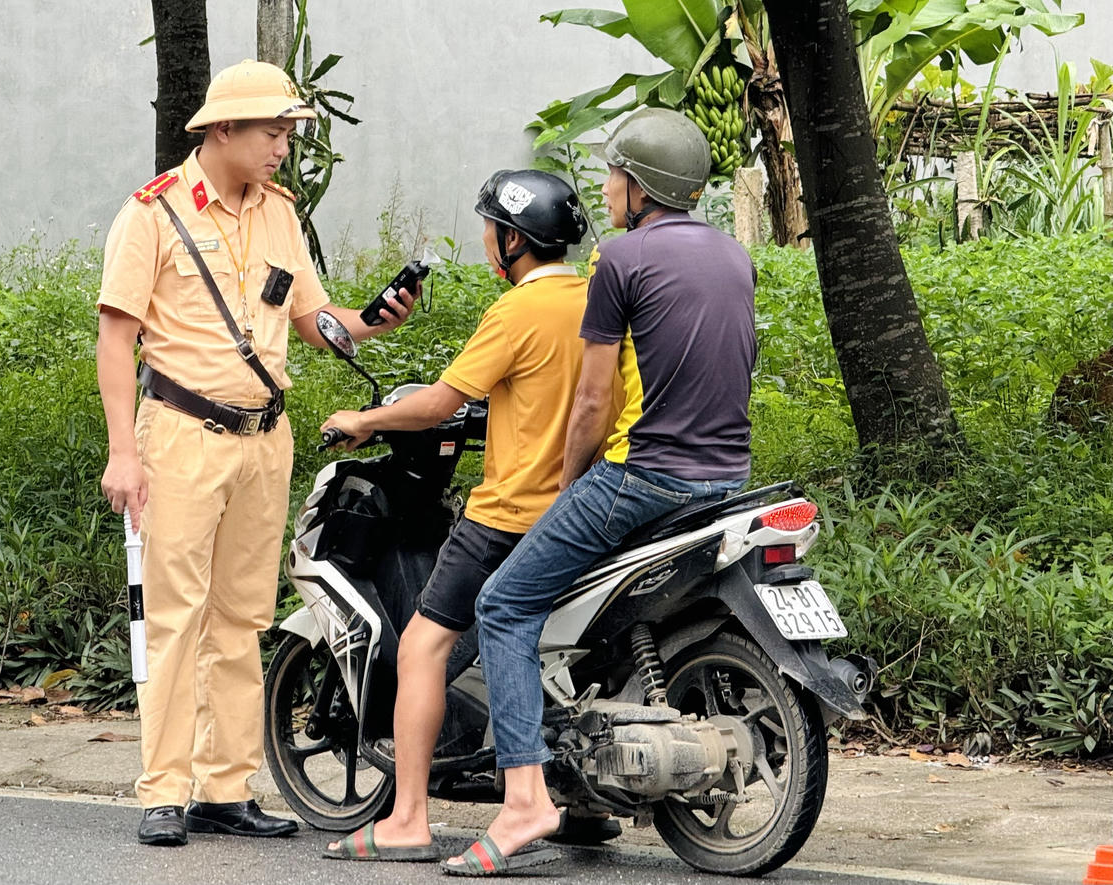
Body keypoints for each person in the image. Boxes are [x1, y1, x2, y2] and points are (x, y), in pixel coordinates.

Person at [96, 59, 414, 847]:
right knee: (175, 617)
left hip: (264, 438)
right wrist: (120, 454)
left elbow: (311, 318)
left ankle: (224, 787)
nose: (283, 146)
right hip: (179, 435)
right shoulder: (153, 214)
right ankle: (164, 788)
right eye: (273, 131)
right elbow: (116, 336)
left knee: (241, 618)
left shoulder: (279, 213)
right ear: (225, 129)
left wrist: (372, 320)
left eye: (288, 133)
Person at [441, 107, 759, 875]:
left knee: (504, 605)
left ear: (640, 188)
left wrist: (568, 485)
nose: (608, 189)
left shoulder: (619, 260)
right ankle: (583, 789)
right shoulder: (733, 253)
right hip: (730, 478)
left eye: (615, 176)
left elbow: (591, 403)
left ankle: (524, 802)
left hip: (644, 475)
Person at [318, 170, 589, 863]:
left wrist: (366, 420)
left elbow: (440, 402)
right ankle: (582, 804)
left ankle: (407, 816)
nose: (484, 241)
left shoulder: (515, 313)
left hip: (507, 513)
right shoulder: (593, 300)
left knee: (421, 646)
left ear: (513, 240)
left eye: (490, 230)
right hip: (576, 511)